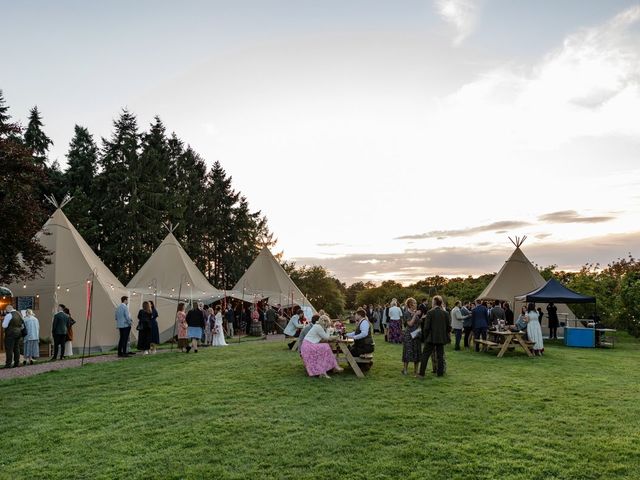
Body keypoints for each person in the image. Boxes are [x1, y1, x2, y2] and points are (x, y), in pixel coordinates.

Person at [417, 296, 451, 378]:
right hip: (441, 338)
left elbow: (426, 327)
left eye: (432, 301)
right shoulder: (445, 313)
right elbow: (449, 327)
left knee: (425, 355)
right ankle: (440, 374)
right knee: (440, 356)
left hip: (431, 338)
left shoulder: (430, 312)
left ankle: (421, 374)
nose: (431, 303)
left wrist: (425, 337)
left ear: (434, 303)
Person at [401, 298, 422, 376]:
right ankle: (405, 370)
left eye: (416, 303)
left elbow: (418, 322)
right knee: (408, 352)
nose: (416, 304)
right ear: (410, 305)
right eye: (415, 303)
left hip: (416, 334)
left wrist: (422, 318)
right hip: (409, 335)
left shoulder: (414, 312)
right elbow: (410, 324)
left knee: (417, 352)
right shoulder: (406, 313)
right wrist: (415, 315)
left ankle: (416, 371)